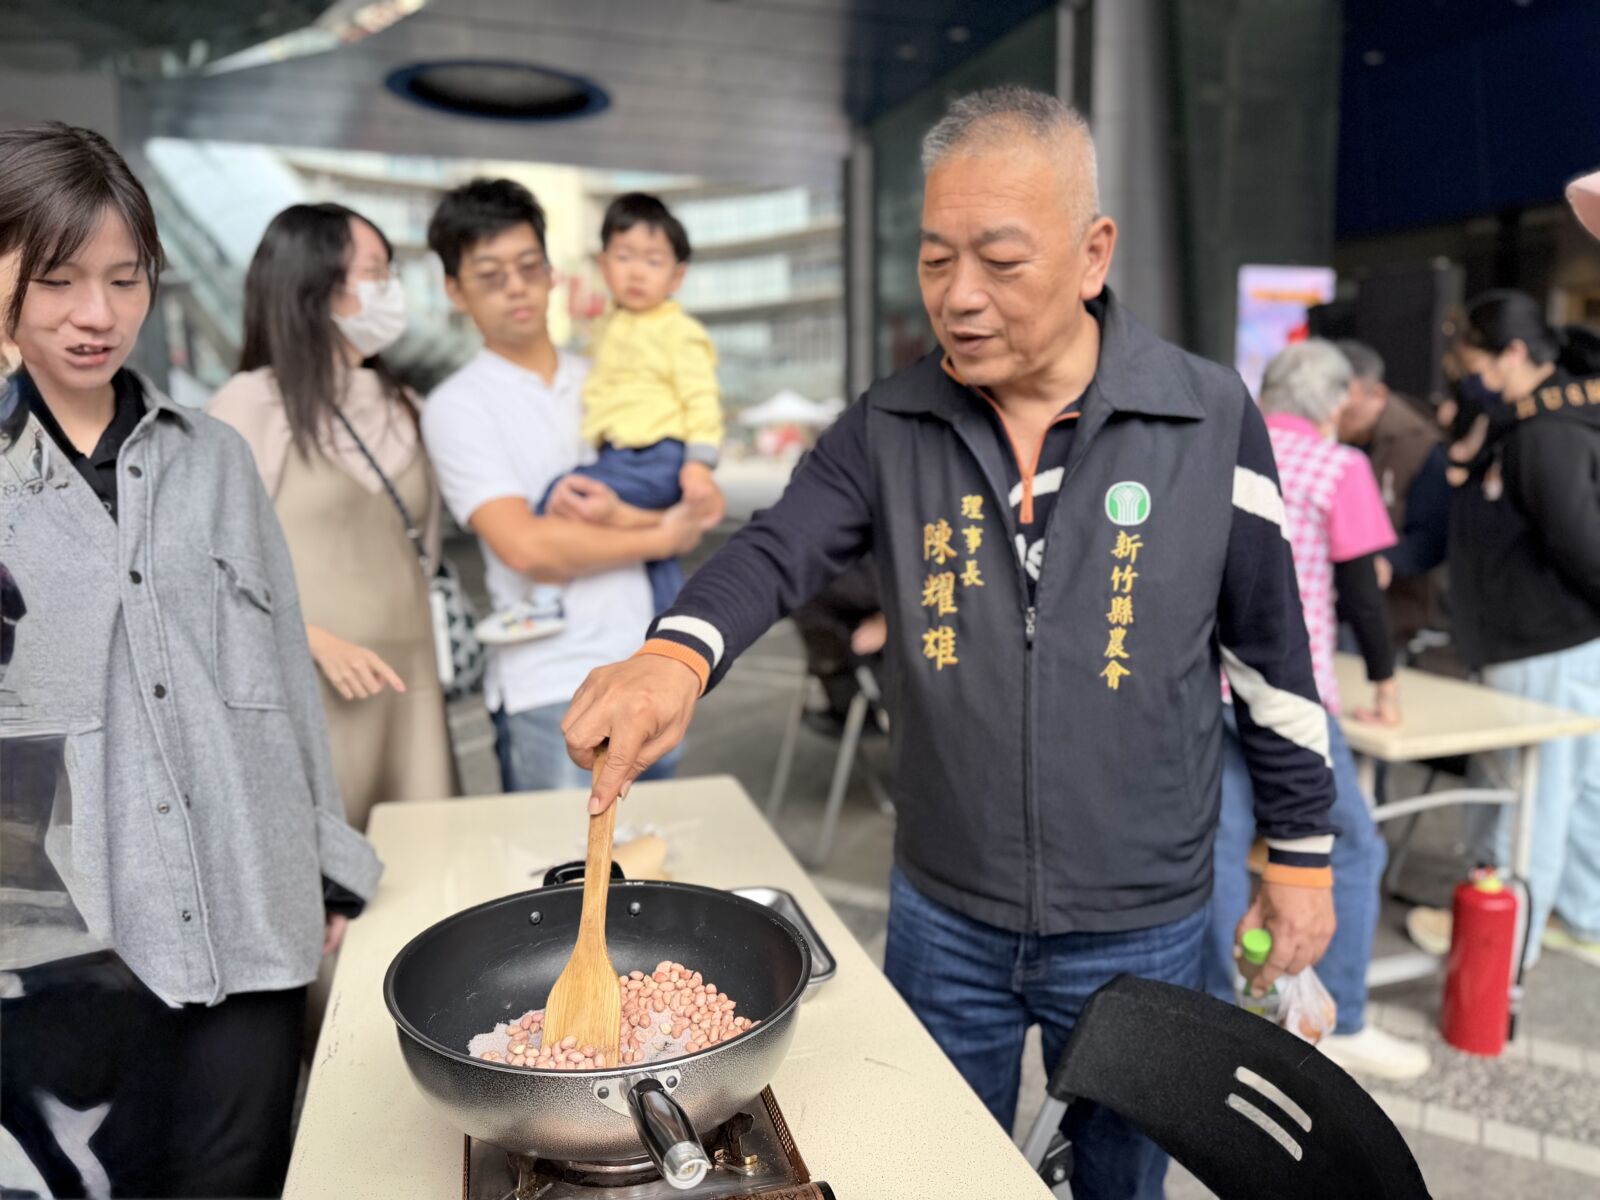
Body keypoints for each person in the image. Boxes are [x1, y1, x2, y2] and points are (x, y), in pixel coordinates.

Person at [560, 87, 1336, 1199]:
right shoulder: (893, 422)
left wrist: (1299, 858)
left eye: (1000, 262)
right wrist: (671, 655)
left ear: (1091, 252)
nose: (959, 299)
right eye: (934, 261)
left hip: (1143, 918)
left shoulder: (1206, 416)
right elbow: (776, 549)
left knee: (1121, 1176)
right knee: (936, 1173)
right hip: (945, 912)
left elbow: (1271, 656)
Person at [0, 123, 381, 1197]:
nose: (97, 313)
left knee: (238, 1178)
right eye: (58, 278)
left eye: (126, 279)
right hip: (58, 949)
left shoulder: (211, 458)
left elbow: (271, 672)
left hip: (245, 907)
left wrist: (322, 862)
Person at [420, 178, 721, 793]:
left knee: (648, 868)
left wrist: (682, 505)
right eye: (491, 274)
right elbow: (526, 547)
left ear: (553, 272)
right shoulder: (457, 406)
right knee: (561, 880)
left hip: (648, 670)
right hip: (549, 688)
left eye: (530, 266)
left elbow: (693, 502)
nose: (517, 287)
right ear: (454, 289)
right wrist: (663, 534)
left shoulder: (611, 374)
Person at [1204, 340, 1430, 1080]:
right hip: (1291, 698)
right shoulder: (1342, 466)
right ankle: (1350, 1019)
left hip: (1216, 686)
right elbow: (1362, 593)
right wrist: (1386, 683)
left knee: (1223, 843)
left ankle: (1221, 1010)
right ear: (1334, 402)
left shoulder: (1219, 454)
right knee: (1354, 848)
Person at [208, 203, 453, 831]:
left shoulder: (408, 406)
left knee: (427, 873)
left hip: (411, 690)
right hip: (308, 694)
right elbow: (204, 568)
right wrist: (313, 639)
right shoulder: (250, 404)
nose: (389, 289)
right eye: (374, 271)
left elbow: (421, 550)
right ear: (315, 285)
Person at [1410, 291, 1600, 966]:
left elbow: (1585, 547)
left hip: (1542, 642)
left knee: (1527, 802)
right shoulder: (1535, 423)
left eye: (1478, 366)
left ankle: (1503, 945)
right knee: (1566, 794)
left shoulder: (1545, 435)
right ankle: (1574, 917)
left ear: (1515, 354)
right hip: (1552, 642)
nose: (1473, 381)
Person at [533, 192, 723, 616]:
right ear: (603, 265)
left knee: (559, 497)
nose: (637, 272)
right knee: (655, 555)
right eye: (624, 257)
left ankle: (544, 600)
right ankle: (672, 622)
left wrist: (699, 464)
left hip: (655, 455)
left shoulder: (679, 331)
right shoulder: (610, 324)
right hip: (624, 454)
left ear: (677, 277)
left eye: (653, 262)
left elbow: (701, 400)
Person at [1335, 340, 1450, 649]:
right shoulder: (1325, 436)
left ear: (1377, 394)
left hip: (1385, 610)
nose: (1339, 420)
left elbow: (1434, 536)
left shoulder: (1420, 448)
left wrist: (1387, 561)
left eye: (1350, 412)